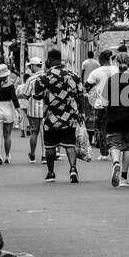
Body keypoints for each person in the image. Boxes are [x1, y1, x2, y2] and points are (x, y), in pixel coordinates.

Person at [33, 49, 88, 183]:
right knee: (69, 144)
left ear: (50, 60)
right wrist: (82, 112)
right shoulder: (73, 75)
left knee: (50, 147)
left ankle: (51, 173)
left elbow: (37, 95)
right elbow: (81, 95)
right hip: (70, 117)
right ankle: (73, 169)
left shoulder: (43, 78)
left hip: (51, 118)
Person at [102, 52, 129, 187]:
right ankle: (124, 177)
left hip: (113, 117)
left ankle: (115, 163)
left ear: (116, 63)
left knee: (115, 144)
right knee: (128, 147)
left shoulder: (111, 80)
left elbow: (104, 103)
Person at [0, 64, 19, 166]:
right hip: (8, 108)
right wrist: (18, 111)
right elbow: (14, 98)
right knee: (7, 135)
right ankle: (7, 155)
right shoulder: (10, 84)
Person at [18, 57, 45, 163]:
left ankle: (33, 155)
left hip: (34, 109)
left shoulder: (31, 79)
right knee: (45, 133)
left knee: (34, 132)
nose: (30, 68)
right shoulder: (48, 76)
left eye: (30, 66)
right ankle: (44, 156)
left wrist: (16, 95)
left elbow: (25, 94)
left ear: (34, 65)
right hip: (46, 109)